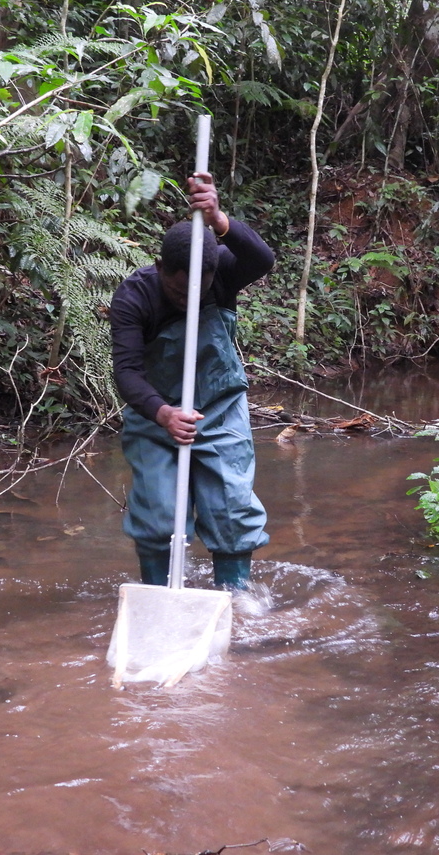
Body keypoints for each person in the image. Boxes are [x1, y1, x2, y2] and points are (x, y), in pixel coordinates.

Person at [109, 171, 275, 589]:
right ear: (161, 267)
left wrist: (219, 219)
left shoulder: (221, 275)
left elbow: (263, 259)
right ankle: (156, 593)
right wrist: (164, 414)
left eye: (196, 293)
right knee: (159, 513)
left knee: (231, 508)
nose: (188, 300)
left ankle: (234, 599)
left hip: (220, 408)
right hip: (157, 415)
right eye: (179, 291)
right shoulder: (134, 297)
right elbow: (127, 372)